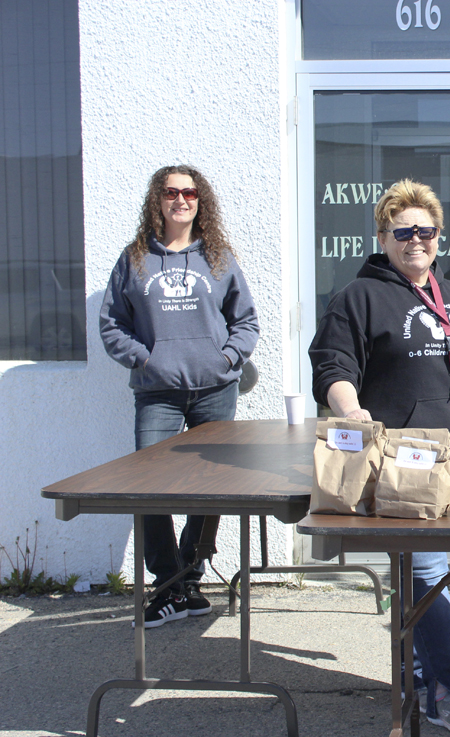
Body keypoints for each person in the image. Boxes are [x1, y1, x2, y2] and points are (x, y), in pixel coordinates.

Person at [309, 179, 450, 735]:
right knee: (426, 571)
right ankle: (445, 691)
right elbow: (334, 368)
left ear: (439, 238)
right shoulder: (358, 297)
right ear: (383, 236)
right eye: (403, 231)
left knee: (422, 576)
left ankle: (412, 681)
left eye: (425, 231)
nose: (415, 240)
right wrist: (353, 414)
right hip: (408, 464)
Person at [100, 165, 259, 627]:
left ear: (199, 200)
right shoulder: (134, 259)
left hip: (215, 390)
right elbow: (112, 325)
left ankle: (191, 572)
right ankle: (167, 581)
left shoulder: (218, 257)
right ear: (158, 199)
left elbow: (245, 321)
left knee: (211, 490)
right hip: (157, 393)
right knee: (149, 489)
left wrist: (227, 359)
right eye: (171, 191)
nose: (181, 199)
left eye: (189, 192)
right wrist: (145, 360)